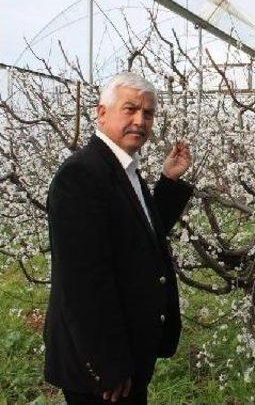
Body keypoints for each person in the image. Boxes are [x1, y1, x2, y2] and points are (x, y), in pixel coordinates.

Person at [44, 72, 193, 404]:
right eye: (130, 109)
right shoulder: (81, 176)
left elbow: (140, 239)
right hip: (100, 367)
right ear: (102, 112)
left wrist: (168, 181)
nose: (140, 120)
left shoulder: (122, 168)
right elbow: (83, 282)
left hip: (128, 348)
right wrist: (107, 365)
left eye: (148, 113)